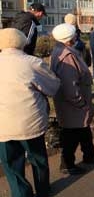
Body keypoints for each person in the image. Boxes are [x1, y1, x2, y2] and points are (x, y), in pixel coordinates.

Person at [0, 28, 60, 197]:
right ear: (22, 42)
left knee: (11, 163)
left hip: (3, 126)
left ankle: (21, 193)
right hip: (30, 122)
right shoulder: (32, 63)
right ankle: (42, 190)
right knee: (38, 159)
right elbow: (53, 86)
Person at [51, 23, 94, 175]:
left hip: (75, 102)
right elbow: (69, 85)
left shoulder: (65, 50)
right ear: (69, 38)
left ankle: (89, 155)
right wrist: (80, 102)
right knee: (71, 134)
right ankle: (67, 164)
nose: (77, 36)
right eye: (75, 34)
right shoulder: (66, 56)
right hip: (72, 103)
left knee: (83, 129)